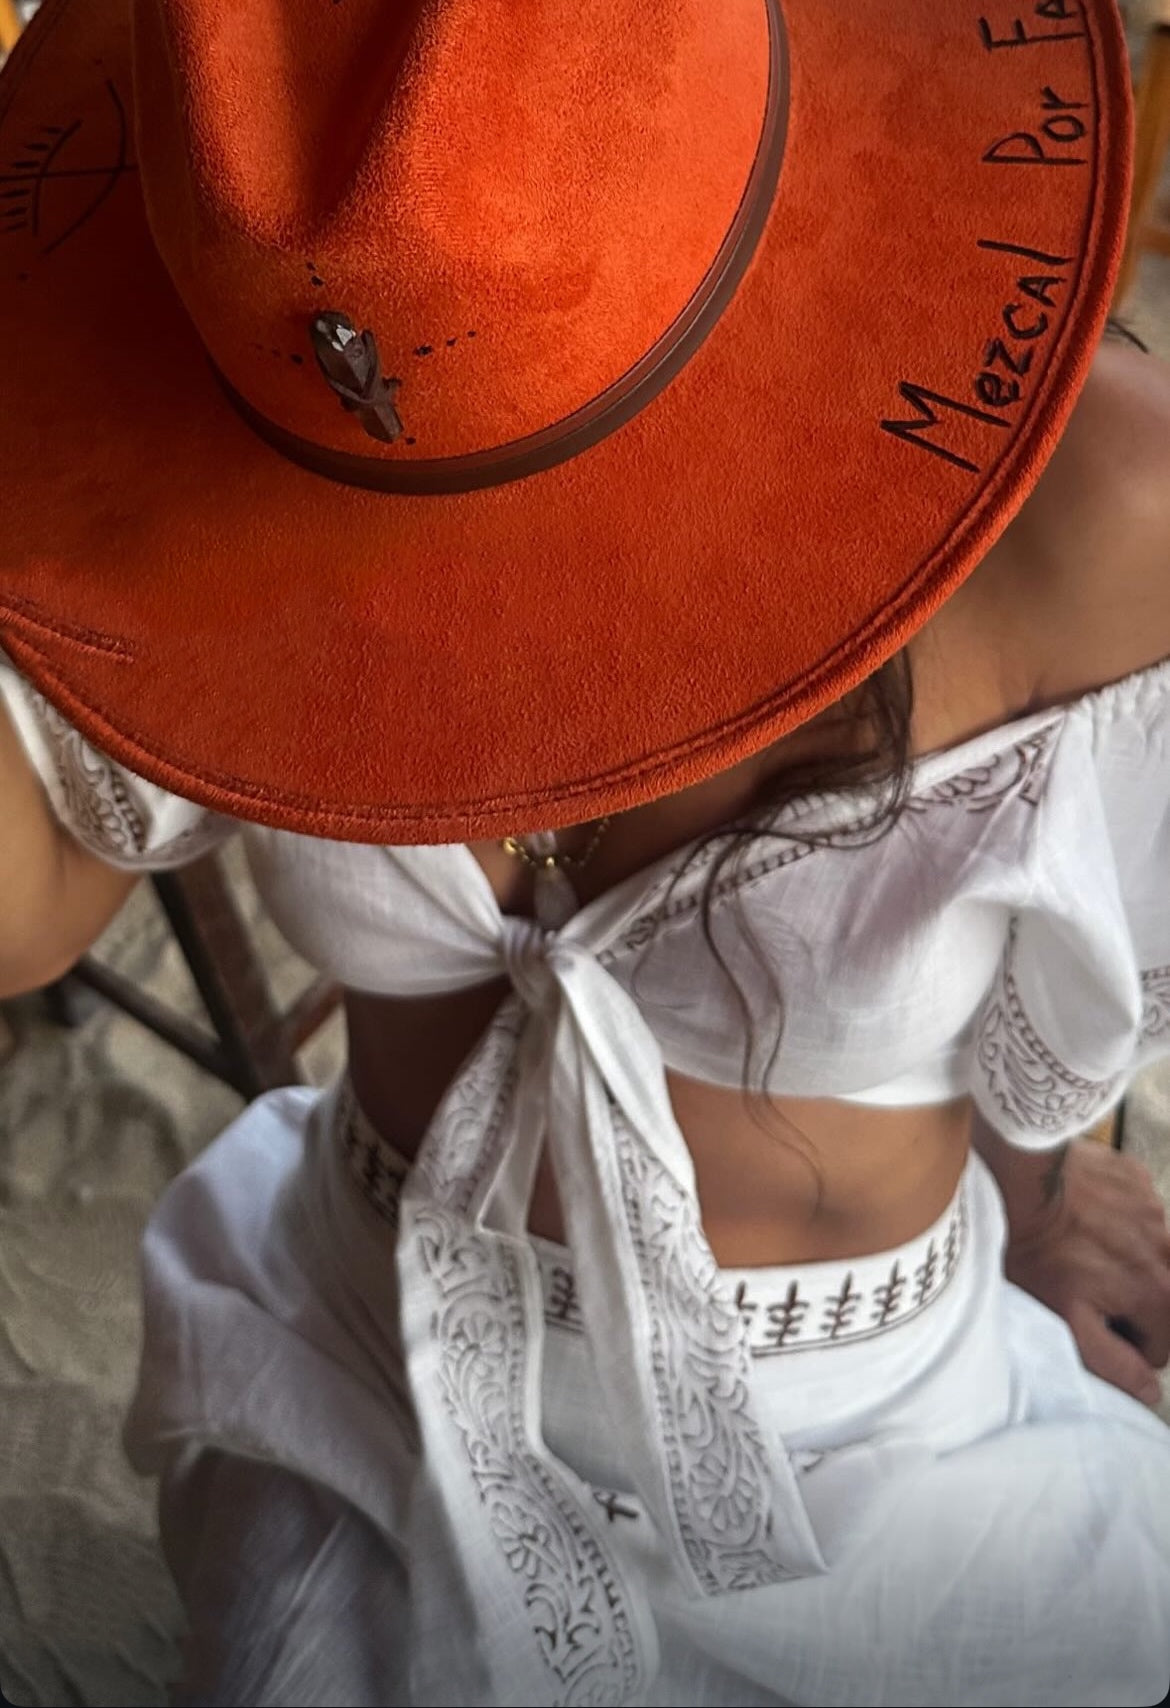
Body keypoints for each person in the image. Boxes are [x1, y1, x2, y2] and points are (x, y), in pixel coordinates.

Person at [1, 0, 1169, 1702]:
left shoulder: (1101, 516)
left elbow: (1083, 965)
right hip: (357, 1340)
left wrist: (1045, 1204)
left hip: (874, 1435)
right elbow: (24, 918)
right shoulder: (198, 410)